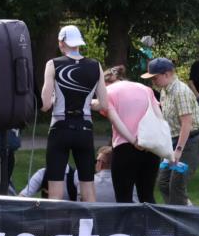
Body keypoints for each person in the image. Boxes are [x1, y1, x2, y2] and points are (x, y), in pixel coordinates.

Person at [40, 25, 136, 202]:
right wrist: (87, 103)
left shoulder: (53, 64)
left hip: (60, 128)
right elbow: (104, 104)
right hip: (84, 128)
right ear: (79, 44)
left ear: (62, 43)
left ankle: (56, 227)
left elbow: (45, 105)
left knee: (55, 190)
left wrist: (55, 100)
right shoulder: (95, 65)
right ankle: (90, 227)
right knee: (88, 187)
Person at [142, 57, 199, 206]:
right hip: (174, 141)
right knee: (163, 183)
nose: (153, 82)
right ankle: (182, 214)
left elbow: (187, 123)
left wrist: (178, 150)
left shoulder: (180, 91)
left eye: (155, 78)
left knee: (176, 187)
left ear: (167, 74)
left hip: (190, 143)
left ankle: (184, 223)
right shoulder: (164, 90)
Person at [104, 65, 161, 203]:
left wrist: (133, 140)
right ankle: (152, 225)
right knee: (147, 195)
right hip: (150, 146)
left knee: (124, 197)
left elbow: (115, 120)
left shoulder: (107, 91)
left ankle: (128, 225)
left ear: (106, 82)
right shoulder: (146, 89)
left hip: (125, 147)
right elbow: (159, 116)